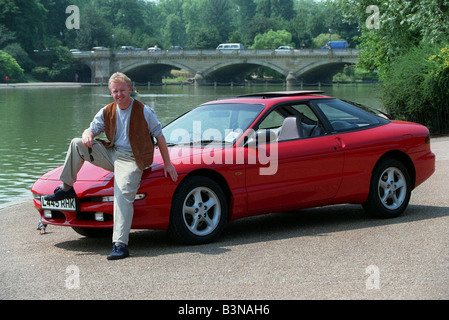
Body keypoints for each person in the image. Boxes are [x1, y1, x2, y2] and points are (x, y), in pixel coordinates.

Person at [44, 72, 178, 260]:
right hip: (112, 153)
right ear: (111, 92)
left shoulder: (144, 111)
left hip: (133, 158)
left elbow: (160, 137)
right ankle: (66, 188)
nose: (119, 94)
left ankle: (120, 244)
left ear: (130, 90)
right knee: (76, 143)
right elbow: (90, 129)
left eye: (122, 90)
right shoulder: (107, 110)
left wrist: (168, 164)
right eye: (115, 91)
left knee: (122, 192)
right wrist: (87, 134)